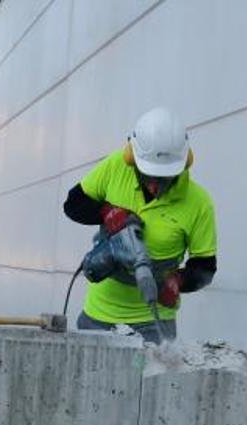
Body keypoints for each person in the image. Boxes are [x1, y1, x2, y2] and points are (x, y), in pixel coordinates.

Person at [62, 107, 218, 343]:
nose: (155, 186)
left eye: (165, 178)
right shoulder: (116, 166)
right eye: (148, 176)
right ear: (132, 158)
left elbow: (205, 267)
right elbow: (73, 204)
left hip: (154, 324)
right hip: (99, 314)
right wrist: (107, 212)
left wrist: (177, 282)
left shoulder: (199, 203)